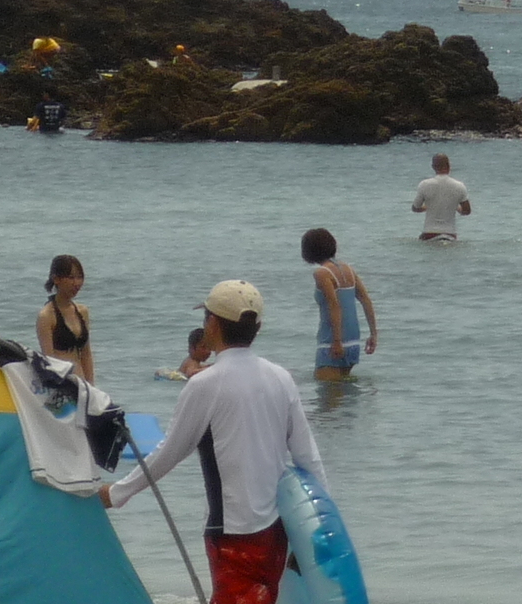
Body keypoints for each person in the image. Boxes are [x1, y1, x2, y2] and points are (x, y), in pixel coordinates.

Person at [102, 281, 326, 604]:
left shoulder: (204, 385)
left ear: (213, 324)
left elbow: (168, 453)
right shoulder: (281, 378)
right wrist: (315, 534)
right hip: (277, 530)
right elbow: (309, 459)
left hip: (232, 533)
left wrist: (116, 493)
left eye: (206, 316)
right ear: (257, 329)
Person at [302, 228, 379, 381]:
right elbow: (365, 299)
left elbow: (334, 306)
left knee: (327, 400)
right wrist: (373, 334)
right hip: (353, 342)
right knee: (342, 395)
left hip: (331, 342)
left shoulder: (322, 273)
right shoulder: (348, 269)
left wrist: (336, 341)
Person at [36, 254, 94, 383]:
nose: (77, 283)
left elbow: (86, 354)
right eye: (71, 277)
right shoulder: (46, 316)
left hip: (82, 384)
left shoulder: (82, 311)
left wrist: (92, 388)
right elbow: (49, 360)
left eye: (80, 277)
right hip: (62, 384)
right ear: (56, 279)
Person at [412, 153, 471, 240]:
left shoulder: (424, 184)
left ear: (433, 167)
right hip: (450, 234)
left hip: (429, 233)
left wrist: (427, 207)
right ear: (449, 166)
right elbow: (466, 211)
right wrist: (456, 207)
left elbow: (415, 208)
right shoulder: (459, 186)